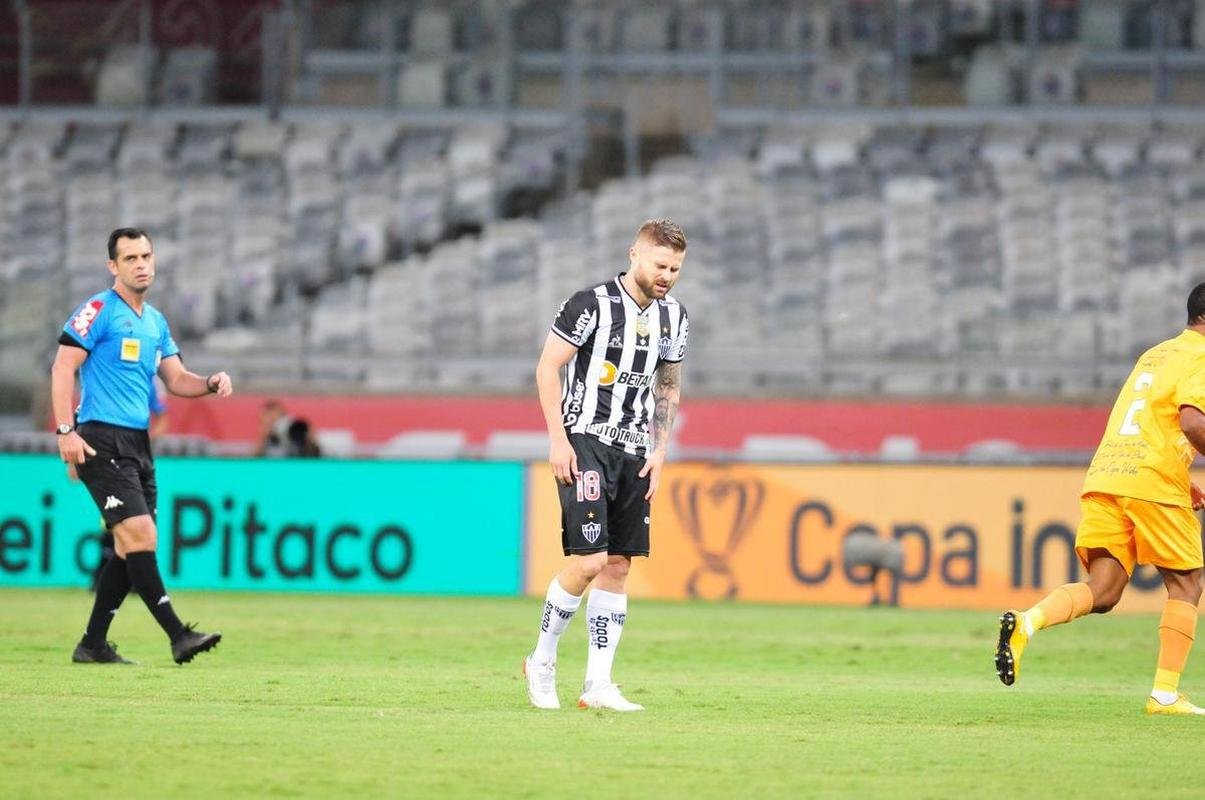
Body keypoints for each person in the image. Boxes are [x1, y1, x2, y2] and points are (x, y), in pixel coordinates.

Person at [996, 282, 1205, 714]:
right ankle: (1164, 694)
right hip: (1151, 482)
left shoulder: (1156, 354)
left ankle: (1027, 622)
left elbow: (1150, 422)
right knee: (1187, 582)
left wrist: (1184, 479)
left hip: (1109, 474)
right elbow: (1191, 422)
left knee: (1104, 590)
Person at [523, 219, 690, 711]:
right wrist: (558, 440)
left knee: (618, 566)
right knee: (591, 560)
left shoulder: (675, 317)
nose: (668, 276)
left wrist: (660, 451)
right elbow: (547, 367)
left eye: (676, 268)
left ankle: (597, 685)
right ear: (635, 254)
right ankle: (542, 659)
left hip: (636, 449)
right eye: (661, 265)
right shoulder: (589, 304)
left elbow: (669, 385)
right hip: (586, 440)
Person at [52, 227, 232, 665]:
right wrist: (65, 432)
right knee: (142, 535)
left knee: (125, 546)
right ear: (113, 266)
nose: (141, 264)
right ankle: (178, 636)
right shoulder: (98, 310)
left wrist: (208, 383)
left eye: (146, 256)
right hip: (98, 436)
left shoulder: (155, 322)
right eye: (130, 258)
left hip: (137, 441)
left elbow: (176, 379)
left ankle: (92, 645)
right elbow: (62, 367)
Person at [90, 377, 168, 591]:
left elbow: (162, 420)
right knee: (115, 520)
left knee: (136, 522)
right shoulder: (107, 376)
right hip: (111, 456)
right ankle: (111, 577)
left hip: (137, 460)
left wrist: (139, 443)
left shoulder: (149, 380)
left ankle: (124, 579)